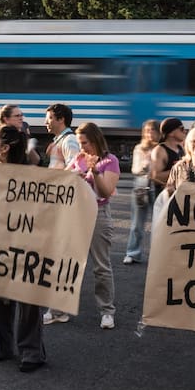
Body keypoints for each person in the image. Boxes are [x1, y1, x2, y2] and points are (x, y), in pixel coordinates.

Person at [0, 125, 47, 372]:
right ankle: (2, 346)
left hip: (26, 245)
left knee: (29, 299)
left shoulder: (31, 175)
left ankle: (31, 351)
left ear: (5, 148)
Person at [65, 122, 121, 329]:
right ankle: (59, 309)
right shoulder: (78, 158)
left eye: (85, 143)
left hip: (98, 214)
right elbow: (63, 176)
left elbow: (106, 192)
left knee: (101, 266)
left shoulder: (110, 160)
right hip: (76, 214)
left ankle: (107, 311)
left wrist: (94, 171)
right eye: (80, 143)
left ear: (95, 139)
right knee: (68, 263)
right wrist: (74, 174)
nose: (82, 147)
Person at [41, 103, 81, 325]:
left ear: (61, 119)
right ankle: (58, 308)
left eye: (49, 118)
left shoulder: (69, 141)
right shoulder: (60, 141)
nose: (46, 122)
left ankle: (58, 309)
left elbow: (76, 171)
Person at [123, 120, 159, 265]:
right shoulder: (139, 148)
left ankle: (158, 255)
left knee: (159, 224)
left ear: (158, 132)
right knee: (137, 224)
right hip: (140, 187)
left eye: (152, 130)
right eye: (147, 130)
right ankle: (132, 253)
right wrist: (146, 166)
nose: (149, 133)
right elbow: (134, 169)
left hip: (157, 187)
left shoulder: (161, 148)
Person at [150, 117, 186, 197]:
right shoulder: (160, 150)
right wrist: (179, 169)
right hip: (164, 198)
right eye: (181, 129)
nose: (185, 131)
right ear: (171, 133)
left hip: (178, 196)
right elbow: (155, 176)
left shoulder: (180, 148)